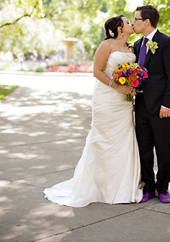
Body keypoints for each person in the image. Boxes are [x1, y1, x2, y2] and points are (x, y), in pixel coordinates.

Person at [44, 16, 143, 207]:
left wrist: (131, 84)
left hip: (124, 102)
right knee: (103, 139)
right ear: (119, 28)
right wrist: (118, 86)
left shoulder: (131, 48)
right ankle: (98, 187)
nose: (131, 22)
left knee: (124, 140)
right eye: (127, 21)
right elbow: (97, 72)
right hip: (106, 99)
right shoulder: (107, 45)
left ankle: (123, 186)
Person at [132, 5, 170, 204]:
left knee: (162, 149)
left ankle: (163, 187)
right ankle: (148, 187)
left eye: (136, 19)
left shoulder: (166, 42)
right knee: (144, 149)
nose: (133, 22)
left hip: (161, 107)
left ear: (147, 21)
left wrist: (167, 104)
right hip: (141, 105)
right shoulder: (136, 45)